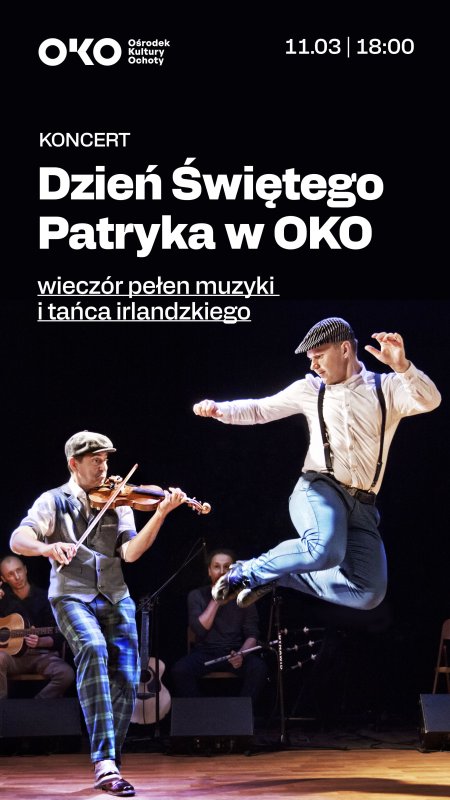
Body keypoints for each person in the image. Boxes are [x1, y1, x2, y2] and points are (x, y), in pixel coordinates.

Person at [193, 318, 441, 611]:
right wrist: (219, 410)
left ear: (345, 349)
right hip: (320, 489)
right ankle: (247, 571)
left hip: (363, 505)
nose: (314, 366)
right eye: (311, 359)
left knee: (368, 592)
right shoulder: (310, 389)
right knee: (325, 550)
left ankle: (278, 575)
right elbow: (260, 409)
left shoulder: (385, 388)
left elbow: (430, 401)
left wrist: (402, 367)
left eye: (319, 356)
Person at [9, 431, 186, 798]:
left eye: (106, 459)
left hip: (116, 596)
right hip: (71, 596)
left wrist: (160, 514)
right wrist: (46, 548)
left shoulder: (119, 499)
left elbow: (131, 553)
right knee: (93, 648)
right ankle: (104, 761)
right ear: (74, 463)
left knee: (127, 675)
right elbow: (18, 540)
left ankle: (110, 764)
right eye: (95, 460)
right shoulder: (53, 501)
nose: (104, 467)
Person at [171, 549, 268, 703]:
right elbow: (199, 630)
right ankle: (200, 712)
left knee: (259, 668)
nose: (222, 572)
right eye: (216, 567)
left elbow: (252, 635)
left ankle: (239, 713)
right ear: (209, 571)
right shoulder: (196, 595)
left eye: (227, 567)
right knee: (180, 670)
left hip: (234, 652)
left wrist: (241, 654)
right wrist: (217, 599)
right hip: (205, 653)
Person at [0, 554, 75, 699]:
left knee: (66, 674)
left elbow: (60, 635)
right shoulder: (3, 599)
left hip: (42, 655)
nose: (17, 577)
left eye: (19, 570)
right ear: (3, 579)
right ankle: (2, 708)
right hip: (12, 658)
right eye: (10, 574)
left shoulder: (46, 597)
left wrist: (40, 641)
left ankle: (37, 705)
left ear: (25, 569)